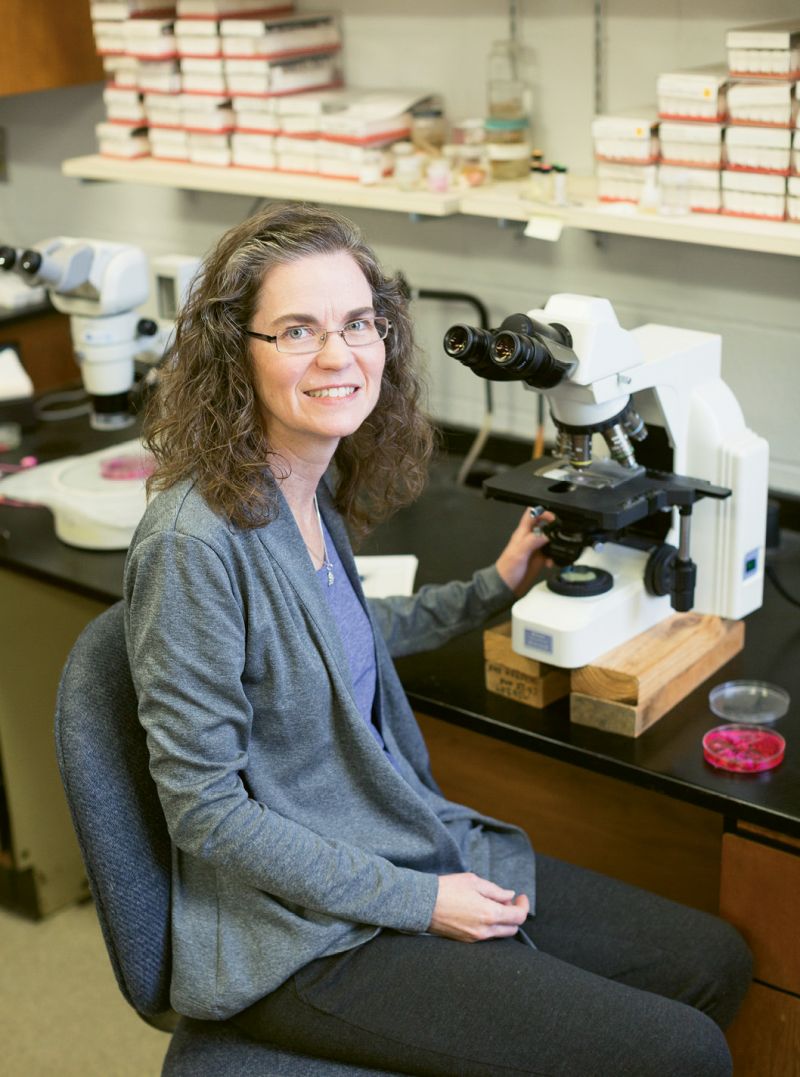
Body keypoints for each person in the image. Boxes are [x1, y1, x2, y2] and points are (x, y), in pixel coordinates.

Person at [124, 202, 752, 1077]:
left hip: (393, 843)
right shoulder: (192, 542)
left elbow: (326, 642)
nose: (339, 355)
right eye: (298, 329)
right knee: (683, 1054)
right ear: (238, 352)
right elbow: (206, 811)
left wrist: (492, 589)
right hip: (303, 937)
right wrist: (421, 900)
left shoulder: (301, 481)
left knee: (713, 961)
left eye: (357, 323)